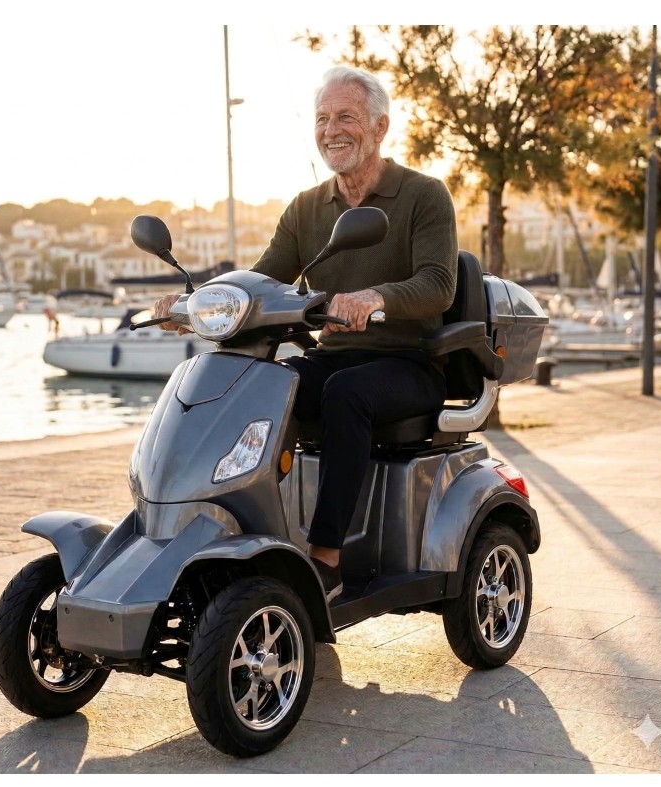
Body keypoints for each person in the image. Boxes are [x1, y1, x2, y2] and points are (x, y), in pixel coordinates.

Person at [153, 66, 458, 602]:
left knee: (346, 393)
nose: (331, 130)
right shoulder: (306, 207)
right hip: (334, 356)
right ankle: (243, 532)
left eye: (346, 117)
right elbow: (261, 281)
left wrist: (374, 298)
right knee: (259, 385)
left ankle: (327, 561)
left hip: (411, 363)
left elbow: (438, 284)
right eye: (322, 118)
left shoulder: (424, 195)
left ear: (380, 126)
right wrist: (194, 307)